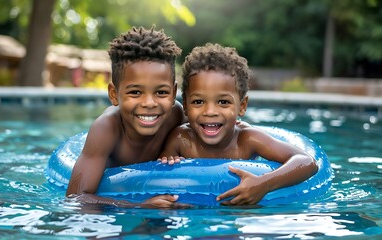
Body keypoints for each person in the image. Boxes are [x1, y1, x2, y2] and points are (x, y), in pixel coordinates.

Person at [159, 43, 318, 205]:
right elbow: (158, 178)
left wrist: (263, 184)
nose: (210, 111)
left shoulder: (248, 140)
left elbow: (307, 162)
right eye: (198, 101)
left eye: (223, 102)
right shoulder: (180, 139)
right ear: (185, 105)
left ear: (242, 106)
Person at [66, 26, 188, 208]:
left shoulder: (176, 115)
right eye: (136, 92)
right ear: (114, 94)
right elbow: (76, 198)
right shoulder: (106, 129)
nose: (149, 103)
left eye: (161, 92)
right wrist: (137, 206)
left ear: (174, 92)